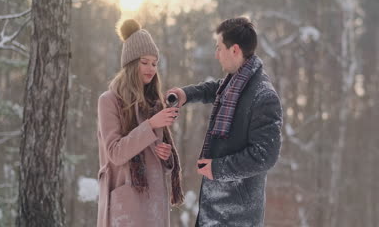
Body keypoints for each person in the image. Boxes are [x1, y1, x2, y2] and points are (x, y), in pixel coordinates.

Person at [168, 17, 283, 227]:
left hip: (237, 216)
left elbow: (265, 156)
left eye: (219, 48)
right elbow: (215, 88)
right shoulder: (236, 83)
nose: (216, 54)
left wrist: (218, 169)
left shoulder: (264, 96)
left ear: (235, 50)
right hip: (213, 211)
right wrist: (185, 94)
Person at [96, 19, 184, 227]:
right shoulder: (108, 100)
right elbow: (115, 153)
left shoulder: (155, 103)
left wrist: (165, 155)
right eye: (144, 62)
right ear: (131, 63)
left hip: (155, 205)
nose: (151, 68)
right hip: (126, 207)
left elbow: (155, 157)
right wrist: (151, 125)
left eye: (154, 63)